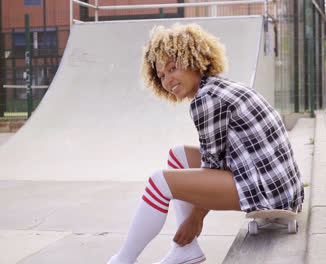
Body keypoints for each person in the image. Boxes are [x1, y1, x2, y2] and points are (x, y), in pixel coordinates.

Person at [107, 23, 304, 264]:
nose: (168, 80)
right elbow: (217, 161)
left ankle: (122, 261)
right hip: (281, 189)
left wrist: (195, 218)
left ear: (193, 60)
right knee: (177, 155)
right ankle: (185, 250)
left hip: (270, 195)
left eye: (172, 68)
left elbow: (213, 166)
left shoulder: (206, 99)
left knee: (159, 182)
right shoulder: (218, 87)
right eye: (161, 75)